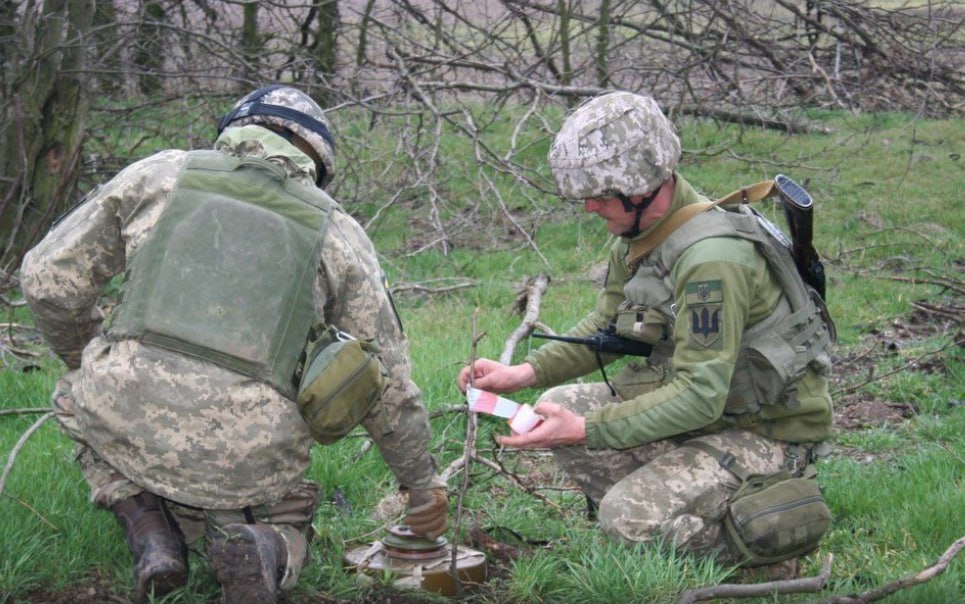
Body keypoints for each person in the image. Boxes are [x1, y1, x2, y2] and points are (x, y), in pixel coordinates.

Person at [21, 85, 448, 604]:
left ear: (233, 132)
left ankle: (149, 528)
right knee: (288, 514)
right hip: (248, 455)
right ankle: (269, 544)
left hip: (122, 413)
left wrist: (88, 354)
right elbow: (386, 384)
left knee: (75, 395)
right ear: (316, 163)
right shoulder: (338, 232)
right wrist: (422, 484)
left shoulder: (160, 174)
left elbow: (46, 279)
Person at [458, 91, 835, 573]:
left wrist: (589, 431)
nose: (591, 208)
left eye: (600, 194)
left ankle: (762, 546)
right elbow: (607, 326)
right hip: (714, 415)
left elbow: (700, 394)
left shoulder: (711, 262)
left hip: (762, 433)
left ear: (640, 187)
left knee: (625, 514)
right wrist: (523, 373)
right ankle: (666, 512)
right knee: (563, 404)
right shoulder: (643, 237)